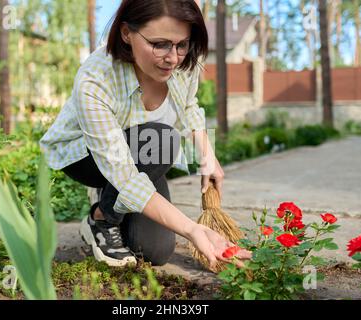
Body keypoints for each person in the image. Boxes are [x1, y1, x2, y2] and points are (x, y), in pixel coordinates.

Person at [40, 0, 251, 269]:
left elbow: (189, 105)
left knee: (154, 251)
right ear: (127, 33)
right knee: (163, 141)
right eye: (159, 44)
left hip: (142, 151)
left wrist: (207, 155)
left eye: (181, 44)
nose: (172, 57)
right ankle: (101, 217)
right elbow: (125, 175)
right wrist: (192, 229)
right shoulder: (96, 78)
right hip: (85, 157)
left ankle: (109, 200)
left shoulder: (183, 62)